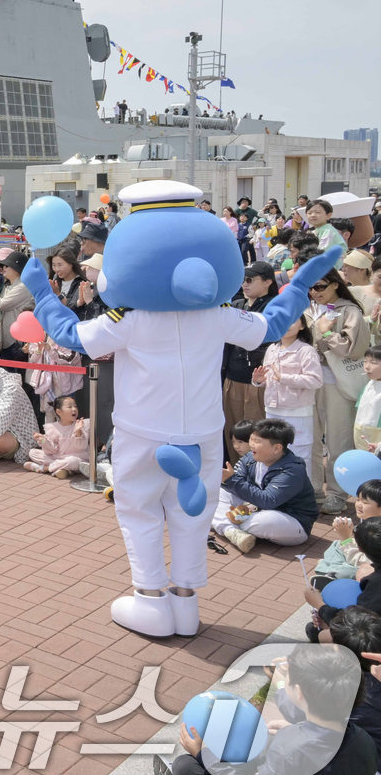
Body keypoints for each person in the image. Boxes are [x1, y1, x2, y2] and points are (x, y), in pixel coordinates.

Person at [23, 179, 336, 638]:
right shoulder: (219, 314)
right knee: (194, 514)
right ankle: (186, 604)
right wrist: (302, 282)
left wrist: (43, 293)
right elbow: (271, 325)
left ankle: (151, 600)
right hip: (203, 432)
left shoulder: (129, 319)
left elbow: (72, 336)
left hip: (143, 431)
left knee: (140, 511)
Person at [166, 646, 376, 775]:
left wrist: (205, 756)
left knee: (185, 767)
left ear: (300, 692)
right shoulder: (362, 738)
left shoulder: (290, 752)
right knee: (265, 744)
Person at [302, 257, 367, 514]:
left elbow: (355, 349)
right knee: (311, 439)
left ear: (335, 285)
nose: (314, 292)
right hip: (310, 382)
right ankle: (315, 490)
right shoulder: (307, 309)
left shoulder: (349, 310)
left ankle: (337, 493)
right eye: (311, 287)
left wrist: (327, 333)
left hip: (338, 383)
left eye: (320, 286)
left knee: (339, 441)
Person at [214, 417, 317, 554]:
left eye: (257, 441)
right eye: (251, 439)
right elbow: (237, 485)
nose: (251, 445)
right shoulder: (250, 458)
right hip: (255, 510)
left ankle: (224, 524)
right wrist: (228, 480)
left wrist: (232, 480)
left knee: (268, 520)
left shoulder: (292, 470)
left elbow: (268, 500)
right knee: (220, 493)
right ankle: (233, 532)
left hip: (292, 521)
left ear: (277, 448)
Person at [222, 261, 278, 451]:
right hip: (231, 378)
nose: (244, 284)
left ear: (268, 282)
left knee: (257, 434)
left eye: (250, 280)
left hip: (258, 381)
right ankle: (235, 474)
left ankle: (258, 477)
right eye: (242, 280)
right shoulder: (237, 304)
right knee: (233, 432)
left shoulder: (274, 307)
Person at [254, 319, 323, 466]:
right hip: (272, 411)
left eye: (292, 321)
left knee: (299, 456)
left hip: (297, 412)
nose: (287, 324)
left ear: (302, 326)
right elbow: (270, 379)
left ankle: (300, 489)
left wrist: (284, 378)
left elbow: (315, 380)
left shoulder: (306, 351)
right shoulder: (272, 348)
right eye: (285, 320)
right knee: (271, 454)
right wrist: (259, 381)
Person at [24, 394, 90, 478]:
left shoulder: (81, 424)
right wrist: (43, 441)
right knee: (33, 452)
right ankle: (63, 469)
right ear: (59, 412)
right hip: (58, 457)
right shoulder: (53, 427)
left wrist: (78, 432)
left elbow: (81, 446)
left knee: (73, 461)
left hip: (77, 458)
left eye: (75, 406)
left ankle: (45, 468)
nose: (74, 409)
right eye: (69, 407)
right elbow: (52, 450)